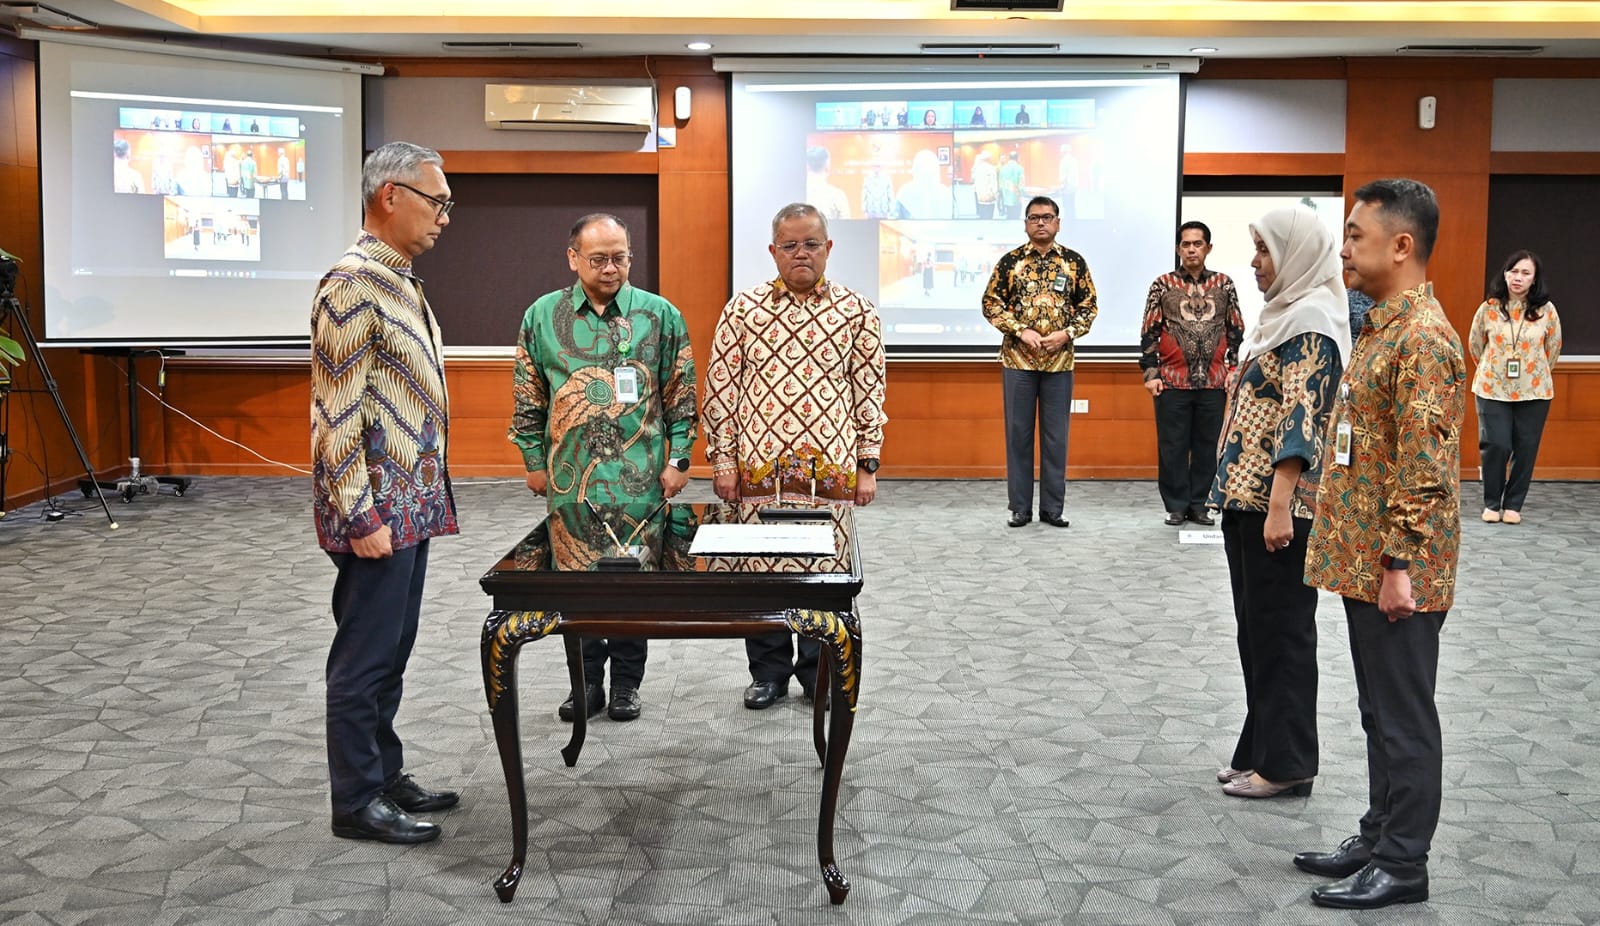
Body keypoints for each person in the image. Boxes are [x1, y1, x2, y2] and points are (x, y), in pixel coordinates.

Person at [1299, 178, 1465, 910]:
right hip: (1368, 558)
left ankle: (1404, 861)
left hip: (1399, 568)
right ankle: (1378, 832)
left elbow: (1424, 470)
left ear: (1402, 245)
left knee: (1403, 714)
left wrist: (1399, 564)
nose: (1346, 249)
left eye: (1357, 236)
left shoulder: (1424, 339)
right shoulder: (1382, 327)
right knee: (1376, 709)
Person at [310, 141, 460, 845]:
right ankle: (356, 800)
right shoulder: (351, 282)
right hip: (376, 508)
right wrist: (359, 511)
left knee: (394, 650)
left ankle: (383, 771)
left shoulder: (401, 279)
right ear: (390, 196)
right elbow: (335, 413)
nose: (445, 219)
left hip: (413, 501)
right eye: (437, 202)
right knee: (364, 655)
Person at [509, 213, 698, 724]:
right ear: (573, 258)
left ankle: (626, 686)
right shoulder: (542, 316)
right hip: (570, 482)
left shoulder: (660, 316)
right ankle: (585, 683)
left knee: (635, 584)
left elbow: (681, 396)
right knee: (576, 584)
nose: (611, 268)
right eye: (598, 259)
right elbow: (529, 396)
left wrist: (679, 459)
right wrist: (533, 461)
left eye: (620, 257)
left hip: (642, 480)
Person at [702, 202, 887, 710]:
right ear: (772, 252)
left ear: (828, 248)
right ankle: (768, 674)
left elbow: (869, 392)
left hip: (828, 476)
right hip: (757, 474)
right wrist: (723, 463)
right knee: (760, 575)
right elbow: (721, 390)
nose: (801, 253)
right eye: (790, 245)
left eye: (810, 244)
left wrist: (867, 465)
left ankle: (817, 673)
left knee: (821, 577)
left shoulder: (858, 311)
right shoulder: (743, 309)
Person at [1209, 206, 1349, 800]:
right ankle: (1261, 748)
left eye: (1264, 250)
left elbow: (1303, 421)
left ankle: (1289, 762)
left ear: (1294, 253)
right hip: (1247, 502)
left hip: (1277, 508)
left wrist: (1278, 507)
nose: (1254, 262)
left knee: (1283, 635)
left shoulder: (1313, 319)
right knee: (1256, 631)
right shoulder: (1282, 316)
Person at [981, 195, 1098, 528]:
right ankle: (1020, 507)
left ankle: (1052, 509)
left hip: (1059, 363)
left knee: (1056, 438)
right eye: (1034, 218)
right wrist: (1020, 331)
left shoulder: (1073, 263)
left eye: (1047, 217)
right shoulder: (1011, 262)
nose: (1041, 223)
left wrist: (1067, 334)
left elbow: (1089, 307)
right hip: (1018, 361)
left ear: (1058, 222)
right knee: (1018, 435)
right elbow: (991, 304)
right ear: (1026, 224)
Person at [1139, 221, 1244, 526]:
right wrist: (1151, 374)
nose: (1191, 249)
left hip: (1213, 381)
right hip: (1171, 380)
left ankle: (1200, 504)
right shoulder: (1163, 284)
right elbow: (1150, 331)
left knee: (1207, 445)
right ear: (1178, 249)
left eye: (1197, 244)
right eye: (1185, 244)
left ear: (1208, 248)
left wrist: (1232, 369)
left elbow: (1235, 327)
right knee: (1172, 446)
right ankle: (1175, 505)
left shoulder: (1224, 284)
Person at [1469, 249, 1562, 524]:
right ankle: (1491, 502)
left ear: (1534, 279)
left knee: (1526, 448)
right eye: (1513, 271)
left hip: (1534, 391)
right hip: (1492, 388)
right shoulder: (1489, 307)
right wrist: (1493, 368)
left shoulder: (1547, 311)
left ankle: (1513, 505)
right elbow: (1476, 345)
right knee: (1496, 444)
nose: (1517, 278)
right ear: (1505, 273)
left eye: (1525, 273)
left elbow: (1553, 349)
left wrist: (1534, 373)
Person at [894, 149, 952, 220]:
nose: (927, 170)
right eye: (923, 167)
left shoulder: (945, 193)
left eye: (929, 166)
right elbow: (896, 218)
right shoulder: (905, 192)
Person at [804, 146, 851, 221]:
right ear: (827, 165)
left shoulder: (795, 193)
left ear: (807, 166)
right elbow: (847, 226)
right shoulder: (838, 195)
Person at [971, 150, 998, 220]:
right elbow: (993, 183)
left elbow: (974, 181)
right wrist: (996, 194)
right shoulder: (991, 168)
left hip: (980, 196)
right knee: (989, 216)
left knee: (982, 215)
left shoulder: (977, 169)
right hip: (989, 197)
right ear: (989, 159)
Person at [997, 152, 1024, 220]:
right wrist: (1021, 192)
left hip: (1006, 194)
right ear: (1017, 158)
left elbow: (1000, 181)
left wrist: (1001, 191)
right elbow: (1021, 182)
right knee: (1016, 215)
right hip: (1016, 194)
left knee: (1009, 214)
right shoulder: (1020, 168)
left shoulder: (1003, 168)